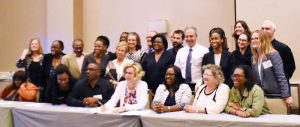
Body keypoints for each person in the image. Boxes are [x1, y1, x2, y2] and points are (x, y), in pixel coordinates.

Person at [251, 30, 292, 107]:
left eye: (256, 38)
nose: (253, 41)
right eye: (252, 39)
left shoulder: (273, 55)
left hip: (276, 96)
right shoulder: (254, 58)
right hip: (262, 96)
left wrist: (286, 96)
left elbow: (281, 76)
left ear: (263, 40)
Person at [174, 26, 209, 91]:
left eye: (191, 36)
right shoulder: (180, 51)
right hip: (183, 85)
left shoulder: (204, 51)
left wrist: (201, 83)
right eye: (187, 36)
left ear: (196, 36)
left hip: (199, 85)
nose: (189, 38)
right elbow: (176, 69)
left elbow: (207, 70)